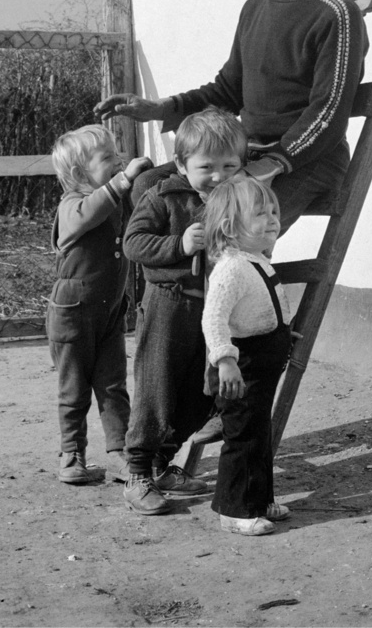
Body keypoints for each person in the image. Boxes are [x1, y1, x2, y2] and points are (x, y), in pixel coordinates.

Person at [95, 0, 367, 236]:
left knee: (226, 225)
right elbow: (228, 90)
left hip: (307, 163)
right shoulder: (254, 8)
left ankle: (223, 285)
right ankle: (178, 287)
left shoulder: (337, 14)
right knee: (147, 186)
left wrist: (271, 164)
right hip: (242, 156)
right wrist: (161, 109)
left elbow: (327, 114)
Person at [120, 107, 247, 515]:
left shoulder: (237, 200)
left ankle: (163, 463)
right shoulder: (164, 196)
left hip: (212, 310)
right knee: (156, 386)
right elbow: (133, 244)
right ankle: (137, 471)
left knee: (200, 388)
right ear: (181, 164)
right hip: (167, 305)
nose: (219, 175)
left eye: (230, 165)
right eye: (207, 166)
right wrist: (179, 245)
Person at [47, 124, 151, 485]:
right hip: (72, 313)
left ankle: (119, 454)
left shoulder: (115, 201)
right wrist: (121, 181)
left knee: (112, 384)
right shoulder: (71, 206)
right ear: (79, 174)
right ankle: (71, 453)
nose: (119, 161)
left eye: (117, 154)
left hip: (109, 310)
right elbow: (86, 215)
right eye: (107, 157)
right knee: (73, 387)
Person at [201, 174, 293, 536]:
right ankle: (235, 510)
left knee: (260, 432)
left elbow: (266, 305)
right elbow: (214, 317)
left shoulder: (256, 260)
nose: (272, 219)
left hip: (262, 366)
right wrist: (225, 360)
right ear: (230, 227)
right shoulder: (232, 268)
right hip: (240, 369)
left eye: (274, 211)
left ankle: (261, 499)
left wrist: (286, 327)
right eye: (261, 213)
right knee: (243, 437)